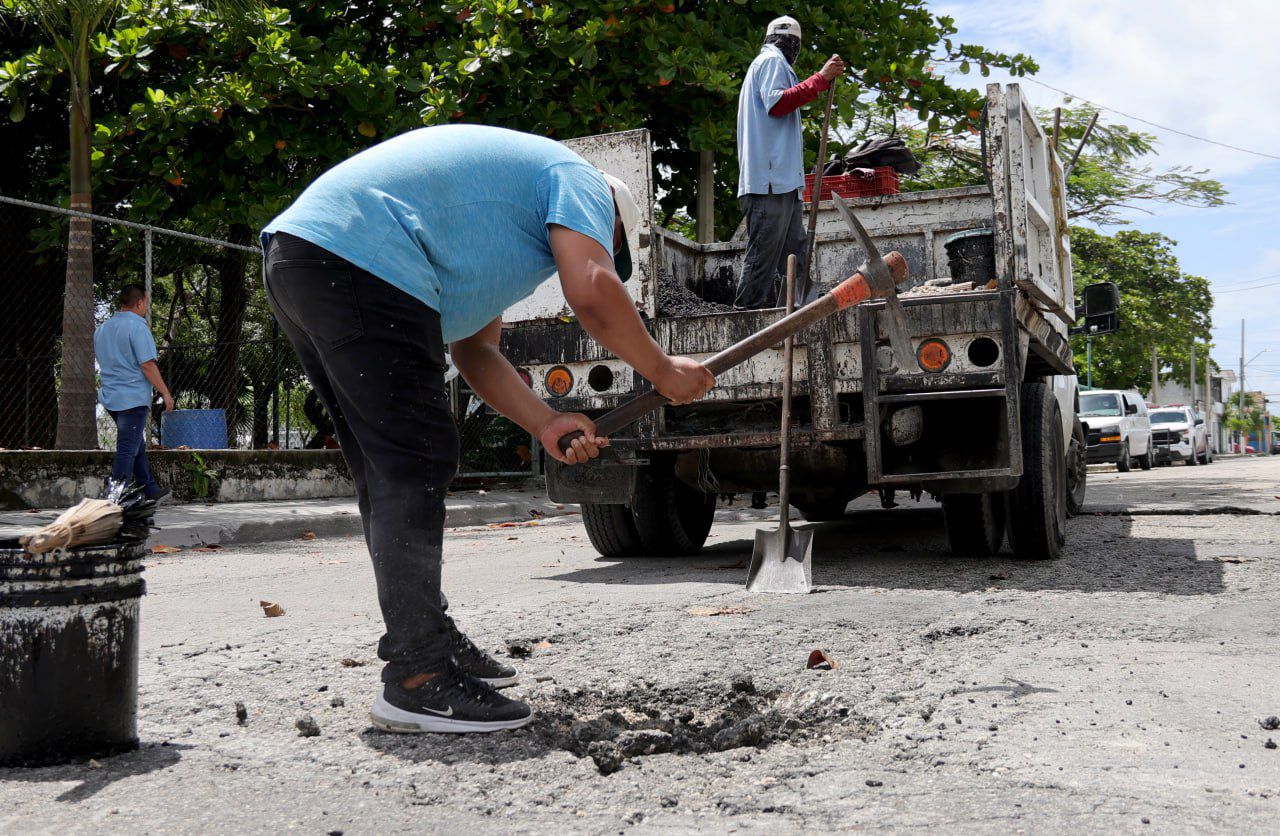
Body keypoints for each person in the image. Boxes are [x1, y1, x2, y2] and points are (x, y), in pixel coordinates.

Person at [261, 125, 716, 735]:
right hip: (356, 256)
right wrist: (663, 370)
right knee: (415, 456)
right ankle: (418, 677)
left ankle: (428, 638)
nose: (595, 252)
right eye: (607, 245)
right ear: (608, 219)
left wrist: (547, 420)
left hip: (305, 255)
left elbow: (476, 353)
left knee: (388, 465)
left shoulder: (494, 243)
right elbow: (593, 289)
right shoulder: (579, 179)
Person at [734, 15, 845, 310]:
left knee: (794, 257)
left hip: (783, 184)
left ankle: (795, 317)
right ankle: (745, 319)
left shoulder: (773, 65)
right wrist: (820, 79)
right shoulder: (771, 62)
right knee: (763, 257)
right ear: (792, 44)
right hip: (769, 183)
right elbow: (778, 103)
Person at [93, 284, 173, 501]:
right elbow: (147, 364)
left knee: (135, 444)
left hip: (111, 397)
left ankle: (149, 489)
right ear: (139, 303)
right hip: (133, 398)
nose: (146, 307)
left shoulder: (102, 329)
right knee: (128, 448)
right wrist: (165, 393)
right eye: (146, 303)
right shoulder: (138, 327)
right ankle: (114, 497)